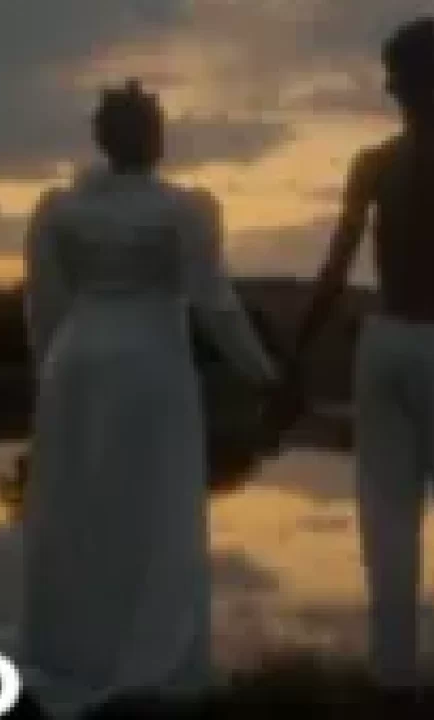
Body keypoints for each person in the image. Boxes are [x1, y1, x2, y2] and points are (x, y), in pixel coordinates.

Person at [277, 16, 434, 693]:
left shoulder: (374, 164)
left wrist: (295, 353)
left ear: (394, 86)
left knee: (388, 518)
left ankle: (395, 674)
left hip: (386, 344)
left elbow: (336, 268)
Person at [20, 79, 277, 717]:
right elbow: (215, 303)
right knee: (154, 508)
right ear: (151, 137)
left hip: (75, 365)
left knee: (82, 511)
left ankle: (80, 652)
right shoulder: (183, 211)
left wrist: (49, 374)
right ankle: (150, 658)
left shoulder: (59, 210)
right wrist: (265, 374)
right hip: (151, 368)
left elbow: (43, 305)